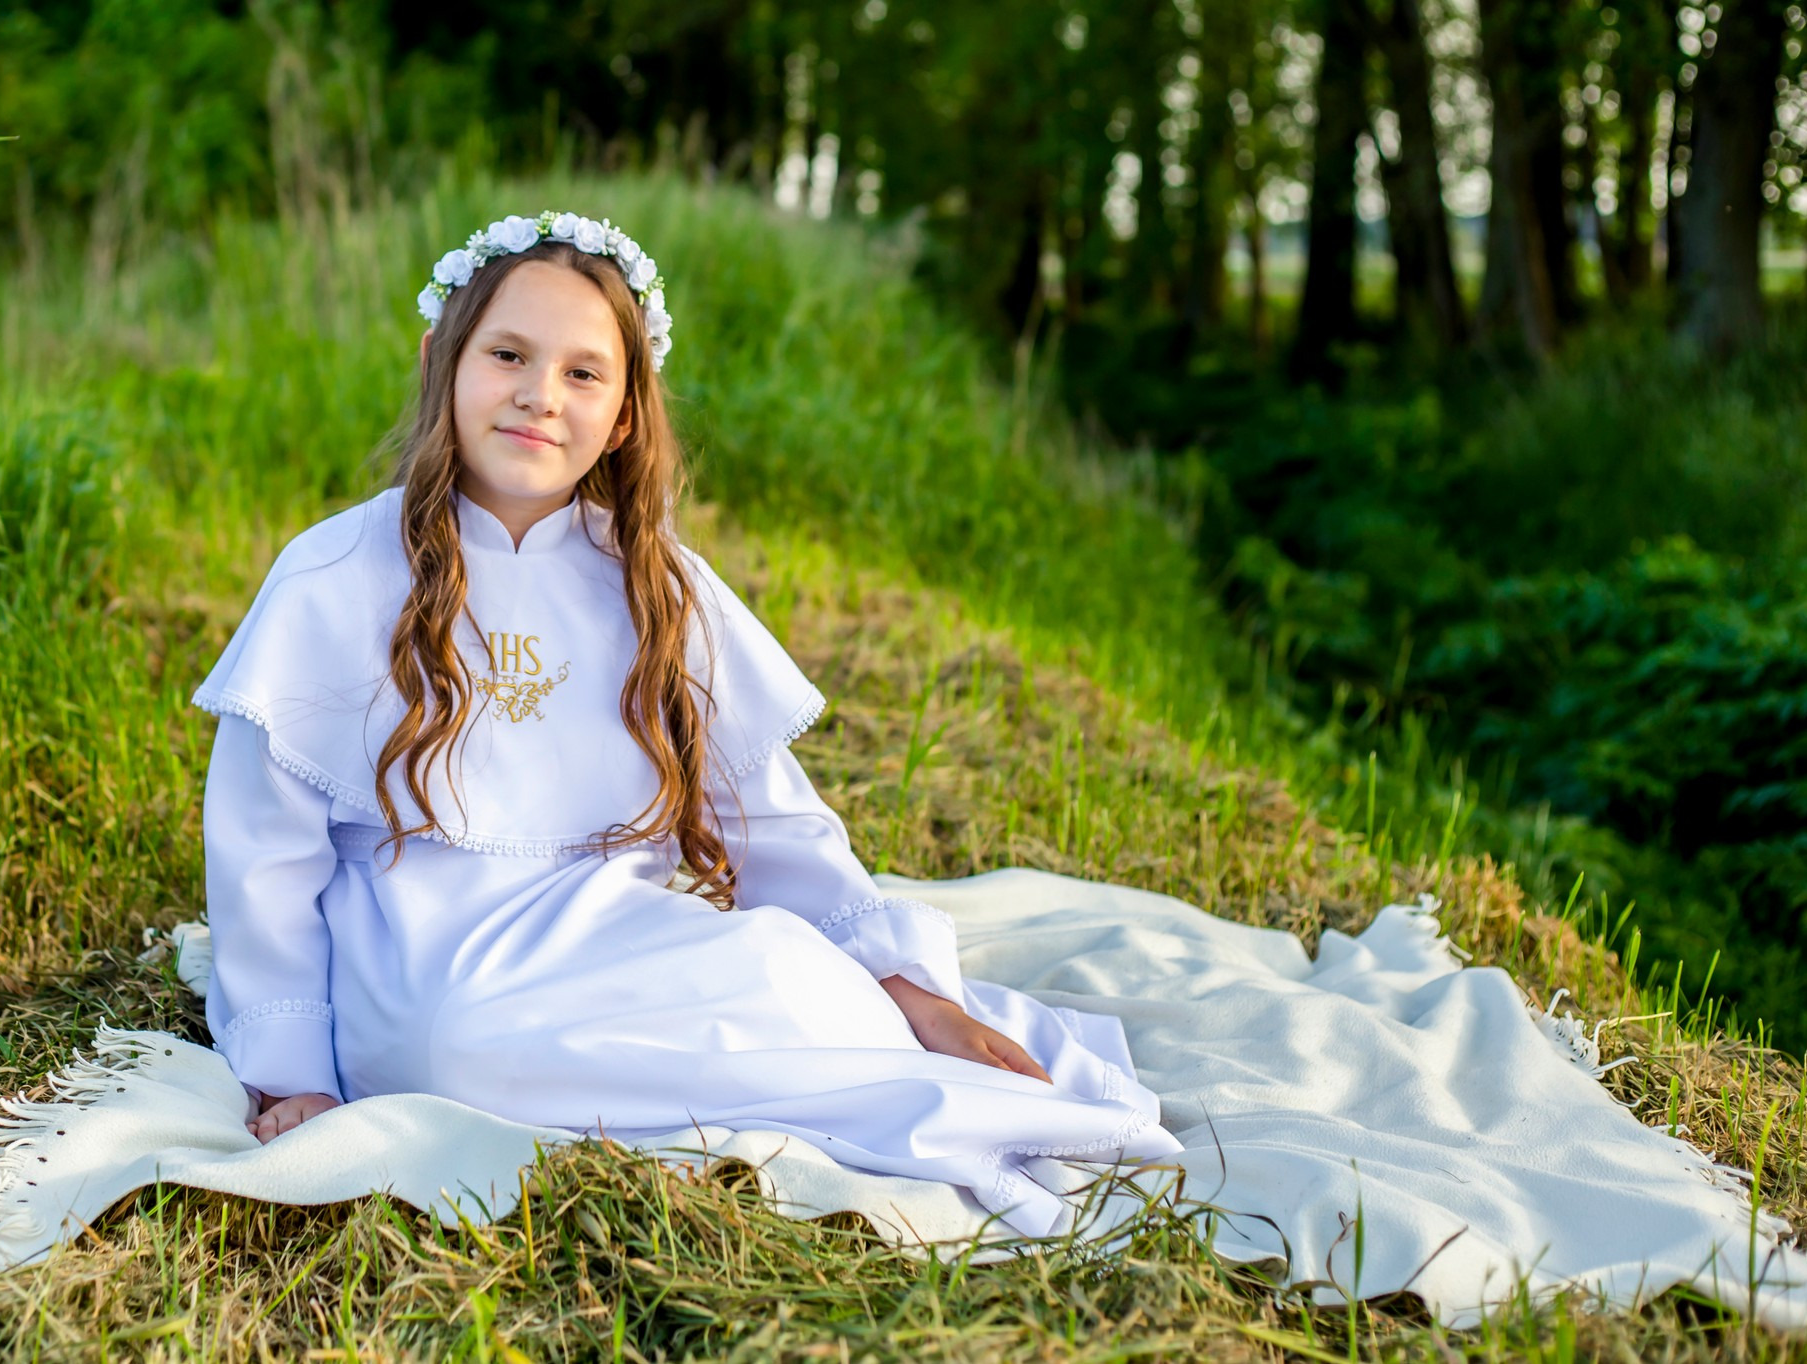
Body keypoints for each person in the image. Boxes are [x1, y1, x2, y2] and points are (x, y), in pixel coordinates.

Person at [193, 210, 1184, 1238]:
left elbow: (773, 821)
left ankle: (926, 1082)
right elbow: (265, 856)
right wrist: (290, 1072)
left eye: (585, 373)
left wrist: (906, 990)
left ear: (624, 413)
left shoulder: (656, 583)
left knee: (793, 982)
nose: (541, 394)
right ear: (441, 357)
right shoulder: (333, 574)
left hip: (609, 931)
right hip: (420, 959)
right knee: (465, 1051)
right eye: (508, 355)